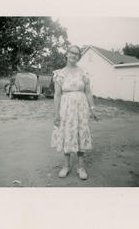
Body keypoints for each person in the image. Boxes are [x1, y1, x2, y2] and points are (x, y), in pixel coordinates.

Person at [51, 45, 98, 180]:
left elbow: (88, 92)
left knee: (80, 133)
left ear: (79, 57)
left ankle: (81, 167)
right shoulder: (59, 74)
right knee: (67, 133)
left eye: (77, 54)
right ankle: (66, 166)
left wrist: (92, 109)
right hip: (66, 108)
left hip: (81, 108)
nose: (74, 55)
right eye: (71, 52)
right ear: (67, 54)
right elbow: (57, 95)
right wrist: (56, 114)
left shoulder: (83, 72)